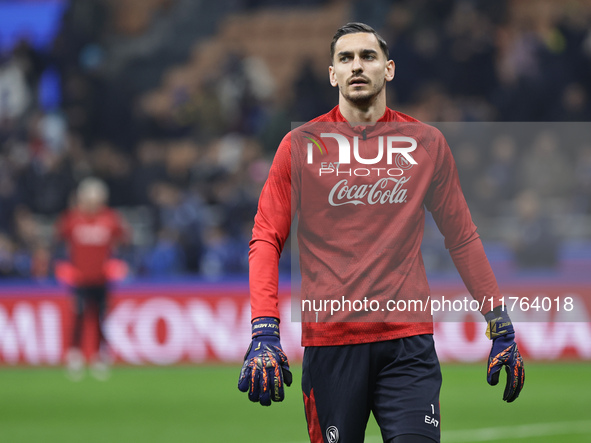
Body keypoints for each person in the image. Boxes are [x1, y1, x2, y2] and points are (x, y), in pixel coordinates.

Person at [238, 23, 524, 443]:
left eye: (368, 57)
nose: (357, 66)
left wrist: (499, 322)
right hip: (331, 343)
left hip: (408, 344)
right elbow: (266, 237)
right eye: (346, 58)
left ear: (388, 69)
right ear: (332, 74)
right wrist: (264, 328)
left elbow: (462, 238)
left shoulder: (426, 144)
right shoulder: (300, 146)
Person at [57, 177, 129, 380]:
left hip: (102, 279)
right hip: (79, 279)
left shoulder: (111, 219)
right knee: (79, 316)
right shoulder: (71, 220)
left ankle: (100, 357)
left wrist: (116, 264)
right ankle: (75, 356)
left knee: (101, 318)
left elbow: (124, 243)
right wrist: (65, 267)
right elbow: (58, 244)